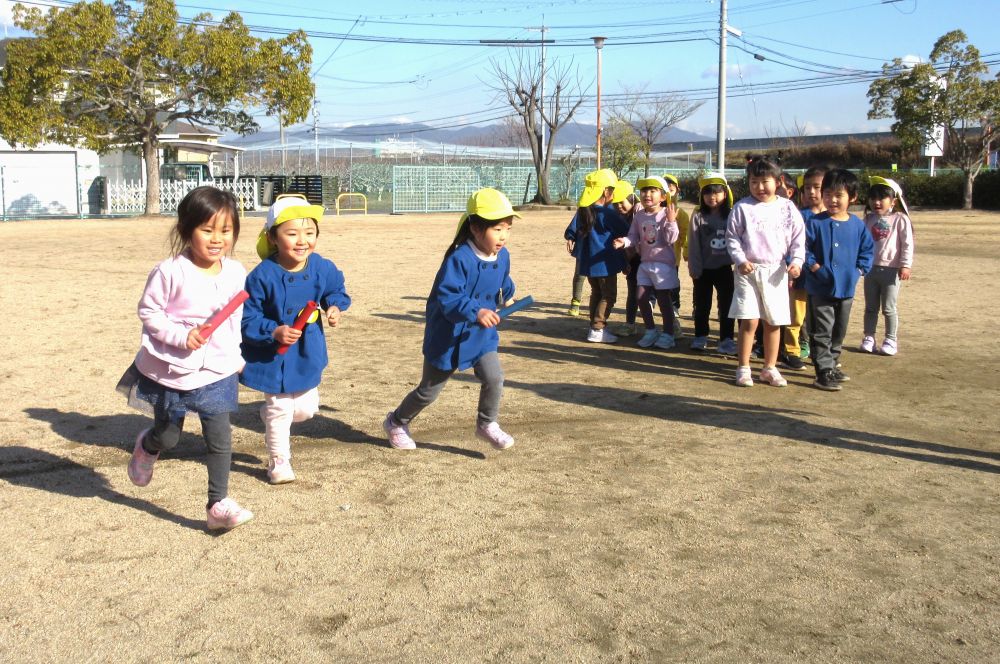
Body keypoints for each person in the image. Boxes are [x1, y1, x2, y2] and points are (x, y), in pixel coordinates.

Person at [123, 186, 252, 531]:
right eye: (207, 230)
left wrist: (241, 354)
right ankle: (147, 446)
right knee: (169, 437)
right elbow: (149, 312)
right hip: (175, 369)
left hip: (217, 370)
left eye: (225, 231)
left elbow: (240, 319)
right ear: (186, 229)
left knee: (220, 438)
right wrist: (181, 336)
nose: (217, 239)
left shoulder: (237, 272)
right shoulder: (169, 272)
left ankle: (217, 503)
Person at [383, 188, 520, 451]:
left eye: (508, 228)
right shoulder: (459, 259)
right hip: (448, 337)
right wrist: (476, 311)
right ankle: (397, 422)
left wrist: (509, 295)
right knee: (428, 392)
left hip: (480, 336)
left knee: (494, 377)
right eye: (497, 229)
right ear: (476, 228)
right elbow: (447, 297)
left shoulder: (503, 256)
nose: (503, 236)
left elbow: (503, 282)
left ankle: (486, 423)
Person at [240, 194, 351, 484]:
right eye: (292, 233)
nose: (302, 241)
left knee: (305, 409)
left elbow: (335, 288)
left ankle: (270, 415)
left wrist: (335, 306)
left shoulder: (320, 266)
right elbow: (247, 318)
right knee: (280, 408)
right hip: (273, 354)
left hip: (306, 349)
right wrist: (273, 330)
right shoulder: (261, 275)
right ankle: (279, 461)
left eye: (309, 233)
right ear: (273, 238)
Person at [726, 156, 805, 387]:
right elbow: (732, 238)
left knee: (773, 321)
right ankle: (743, 367)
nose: (760, 187)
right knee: (749, 321)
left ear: (778, 181)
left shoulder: (788, 208)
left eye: (765, 181)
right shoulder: (742, 208)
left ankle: (770, 368)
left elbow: (798, 239)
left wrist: (797, 262)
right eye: (754, 182)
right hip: (747, 272)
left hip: (776, 272)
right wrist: (740, 260)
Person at [804, 169, 874, 390]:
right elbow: (802, 249)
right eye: (827, 194)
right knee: (822, 329)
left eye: (838, 195)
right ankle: (823, 370)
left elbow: (867, 250)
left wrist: (860, 271)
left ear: (852, 197)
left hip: (846, 288)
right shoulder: (815, 223)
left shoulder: (857, 225)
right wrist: (815, 266)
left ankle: (833, 363)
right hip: (819, 287)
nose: (832, 200)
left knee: (839, 330)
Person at [612, 176, 679, 349]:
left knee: (664, 300)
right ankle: (651, 330)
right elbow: (634, 235)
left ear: (663, 196)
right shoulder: (639, 215)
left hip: (663, 264)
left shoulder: (666, 214)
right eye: (643, 191)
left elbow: (672, 238)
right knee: (641, 297)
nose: (647, 194)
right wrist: (625, 242)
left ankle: (669, 333)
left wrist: (671, 221)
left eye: (652, 191)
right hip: (645, 263)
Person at [565, 168, 630, 343]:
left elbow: (571, 229)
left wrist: (570, 236)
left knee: (596, 292)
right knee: (608, 295)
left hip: (587, 263)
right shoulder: (607, 214)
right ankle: (598, 328)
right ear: (606, 191)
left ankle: (594, 326)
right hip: (604, 263)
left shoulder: (584, 210)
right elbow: (627, 231)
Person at [781, 166, 828, 370]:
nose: (811, 192)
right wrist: (792, 268)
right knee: (796, 316)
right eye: (807, 187)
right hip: (801, 276)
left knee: (821, 317)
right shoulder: (799, 215)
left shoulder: (833, 217)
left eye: (816, 187)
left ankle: (821, 352)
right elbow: (791, 244)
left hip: (824, 278)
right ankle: (791, 351)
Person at [861, 176, 914, 356]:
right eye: (873, 198)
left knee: (889, 308)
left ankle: (890, 339)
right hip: (870, 270)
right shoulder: (868, 220)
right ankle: (869, 337)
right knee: (870, 307)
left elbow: (907, 244)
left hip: (891, 271)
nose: (876, 202)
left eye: (881, 198)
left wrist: (905, 265)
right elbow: (861, 243)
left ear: (893, 201)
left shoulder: (900, 219)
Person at [687, 172, 736, 354]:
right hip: (703, 270)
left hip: (725, 268)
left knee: (727, 305)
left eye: (717, 192)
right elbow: (693, 243)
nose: (712, 197)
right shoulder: (698, 216)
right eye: (707, 193)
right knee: (702, 305)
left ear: (725, 193)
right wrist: (694, 267)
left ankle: (727, 339)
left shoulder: (731, 215)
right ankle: (700, 336)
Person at [611, 180, 641, 337]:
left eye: (621, 203)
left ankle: (672, 326)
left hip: (646, 258)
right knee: (632, 292)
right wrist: (625, 262)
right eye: (615, 204)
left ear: (632, 198)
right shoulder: (619, 215)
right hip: (631, 259)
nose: (619, 207)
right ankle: (630, 323)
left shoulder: (640, 211)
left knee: (660, 292)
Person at [663, 173, 688, 337]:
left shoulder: (681, 213)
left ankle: (675, 306)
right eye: (665, 190)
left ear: (677, 190)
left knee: (673, 283)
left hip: (674, 257)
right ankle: (651, 304)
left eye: (671, 189)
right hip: (656, 256)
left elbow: (686, 234)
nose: (669, 194)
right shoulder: (656, 210)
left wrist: (686, 250)